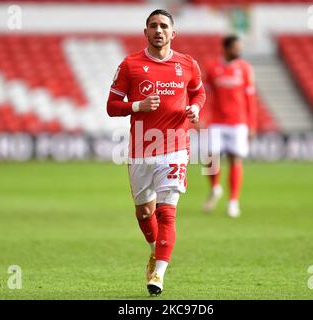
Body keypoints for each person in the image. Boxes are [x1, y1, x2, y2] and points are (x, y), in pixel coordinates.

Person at [106, 9, 206, 296]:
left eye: (164, 26)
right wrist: (137, 105)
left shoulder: (188, 64)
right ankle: (154, 251)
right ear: (145, 32)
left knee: (166, 212)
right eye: (153, 26)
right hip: (141, 150)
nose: (158, 30)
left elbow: (199, 92)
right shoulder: (130, 65)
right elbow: (112, 107)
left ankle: (158, 274)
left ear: (173, 33)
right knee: (144, 211)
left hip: (175, 147)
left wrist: (196, 108)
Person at [202, 35, 257, 218]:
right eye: (235, 47)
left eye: (239, 47)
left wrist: (252, 124)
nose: (238, 51)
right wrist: (201, 117)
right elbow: (205, 95)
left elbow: (250, 98)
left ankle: (233, 201)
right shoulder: (212, 67)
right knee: (210, 158)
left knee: (235, 159)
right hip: (217, 121)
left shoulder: (245, 69)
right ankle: (215, 188)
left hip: (238, 122)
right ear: (225, 48)